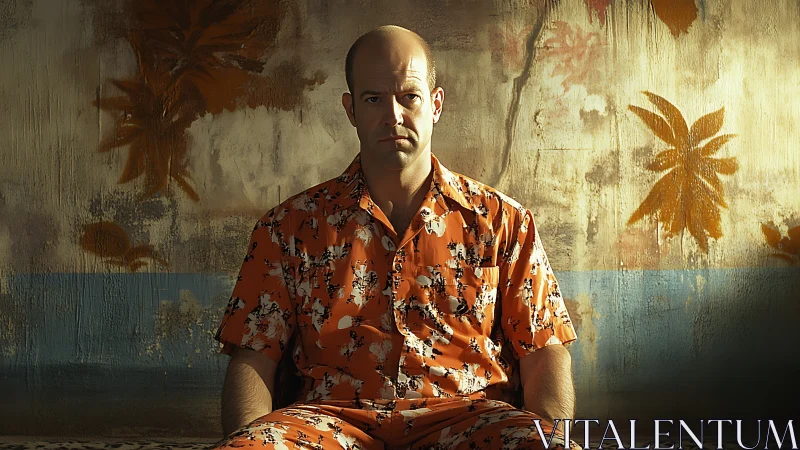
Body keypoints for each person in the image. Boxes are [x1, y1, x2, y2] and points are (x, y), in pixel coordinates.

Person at [212, 25, 578, 450]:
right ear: (351, 110)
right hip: (328, 421)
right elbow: (253, 358)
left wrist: (553, 439)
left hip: (470, 419)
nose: (393, 115)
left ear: (435, 105)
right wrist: (245, 438)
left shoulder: (501, 222)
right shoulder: (288, 227)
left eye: (409, 96)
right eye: (373, 99)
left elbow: (543, 350)